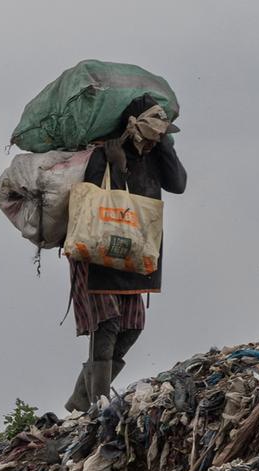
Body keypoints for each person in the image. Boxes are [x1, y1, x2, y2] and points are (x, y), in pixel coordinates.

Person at [64, 94, 187, 413]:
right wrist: (118, 167)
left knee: (131, 326)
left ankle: (80, 401)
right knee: (106, 324)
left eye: (160, 134)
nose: (154, 139)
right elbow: (100, 206)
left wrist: (165, 145)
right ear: (133, 127)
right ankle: (98, 407)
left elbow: (178, 184)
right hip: (99, 254)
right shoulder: (104, 155)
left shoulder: (155, 155)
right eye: (152, 133)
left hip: (135, 251)